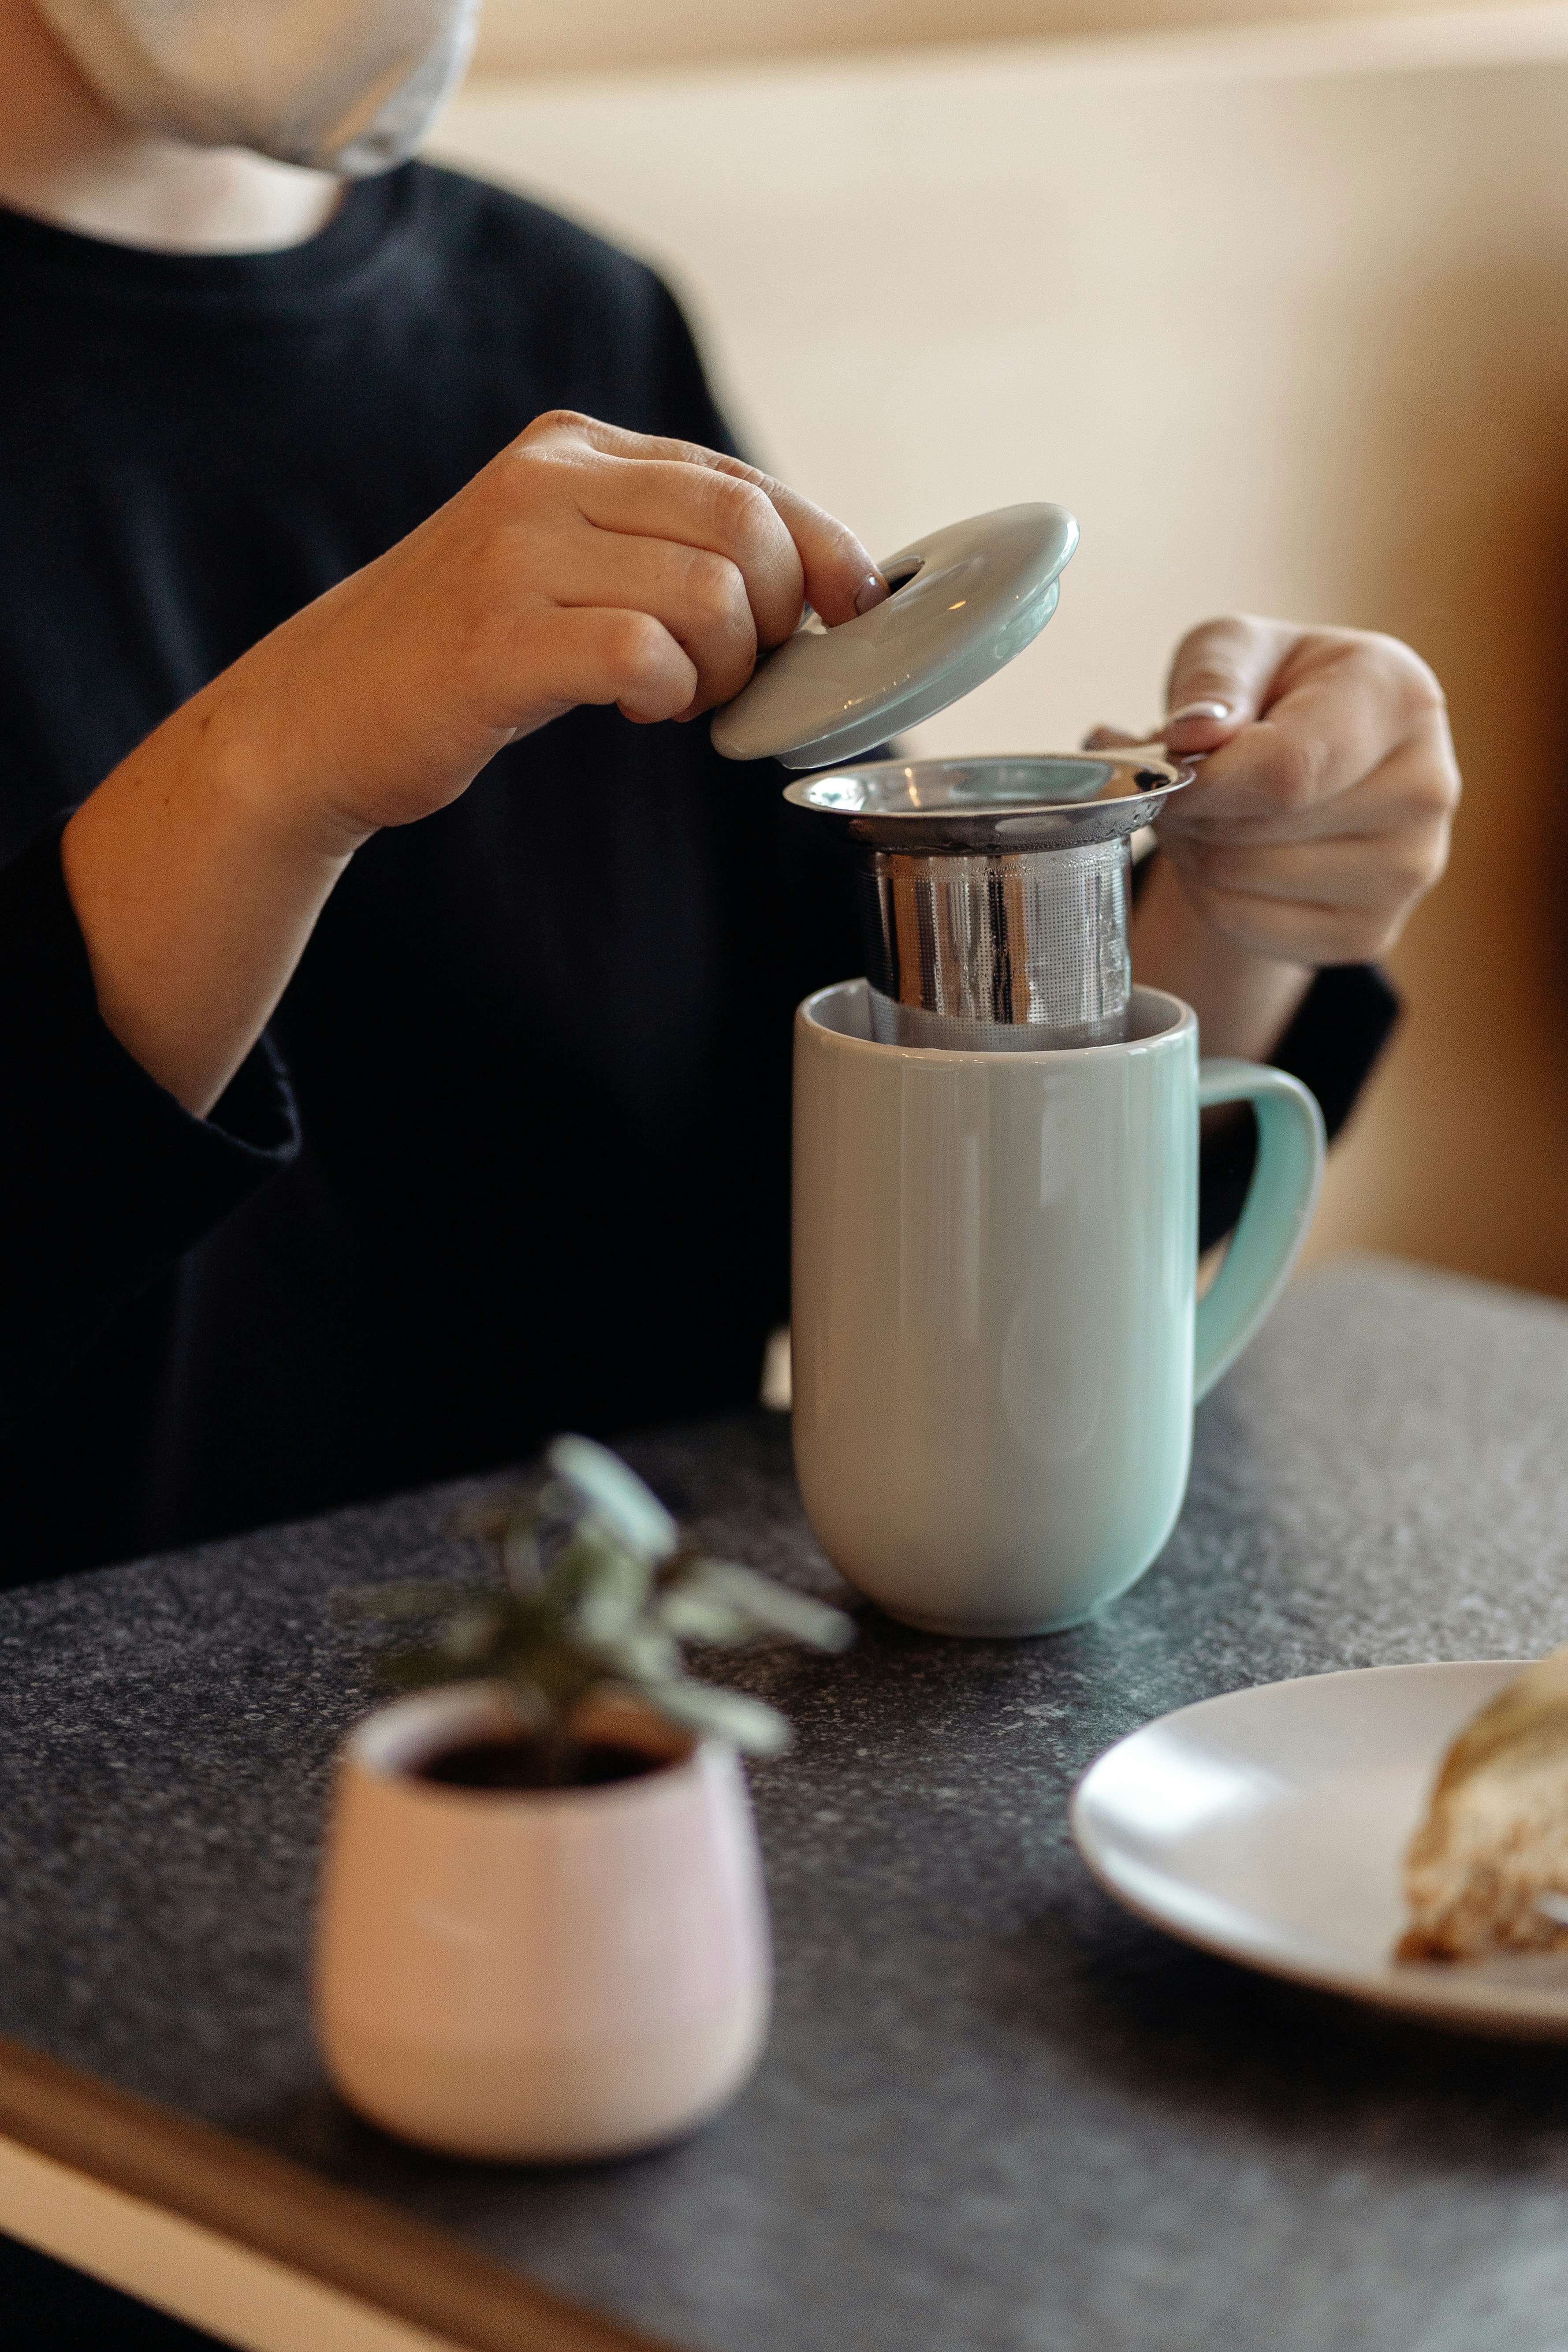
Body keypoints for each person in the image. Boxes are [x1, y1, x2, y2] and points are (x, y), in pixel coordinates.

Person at [0, 4, 1458, 2332]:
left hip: (706, 1877)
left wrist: (1225, 933)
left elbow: (874, 1212)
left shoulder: (571, 334)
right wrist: (281, 755)